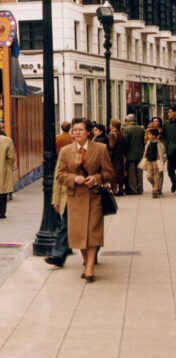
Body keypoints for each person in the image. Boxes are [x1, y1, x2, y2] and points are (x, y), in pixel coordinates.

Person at [54, 118, 113, 282]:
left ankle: (90, 267)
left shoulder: (100, 149)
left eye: (80, 129)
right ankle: (87, 262)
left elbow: (109, 172)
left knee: (93, 232)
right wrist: (74, 179)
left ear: (88, 132)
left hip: (94, 197)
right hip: (75, 198)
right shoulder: (66, 151)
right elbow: (59, 175)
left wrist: (96, 178)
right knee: (79, 234)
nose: (77, 133)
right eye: (75, 130)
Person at [123, 114, 146, 195]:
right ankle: (140, 188)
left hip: (130, 154)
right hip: (140, 153)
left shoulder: (126, 129)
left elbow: (126, 142)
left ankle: (133, 189)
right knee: (139, 173)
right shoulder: (141, 129)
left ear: (127, 121)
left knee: (132, 173)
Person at [142, 128, 166, 198]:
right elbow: (145, 151)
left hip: (157, 161)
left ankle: (155, 191)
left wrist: (163, 161)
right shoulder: (148, 143)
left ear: (154, 136)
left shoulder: (160, 144)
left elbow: (163, 153)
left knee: (157, 177)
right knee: (149, 177)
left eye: (150, 134)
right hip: (149, 161)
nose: (148, 136)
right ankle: (155, 186)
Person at [107, 118, 126, 195]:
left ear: (113, 125)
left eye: (110, 124)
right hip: (120, 155)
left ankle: (114, 189)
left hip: (114, 156)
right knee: (120, 172)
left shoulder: (112, 134)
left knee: (114, 173)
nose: (109, 126)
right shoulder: (120, 133)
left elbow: (111, 146)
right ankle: (120, 189)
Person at [162, 106, 176, 193]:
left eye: (170, 112)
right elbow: (162, 135)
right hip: (170, 149)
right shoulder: (167, 123)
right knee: (170, 169)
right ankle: (174, 183)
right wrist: (166, 144)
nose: (169, 114)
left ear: (175, 112)